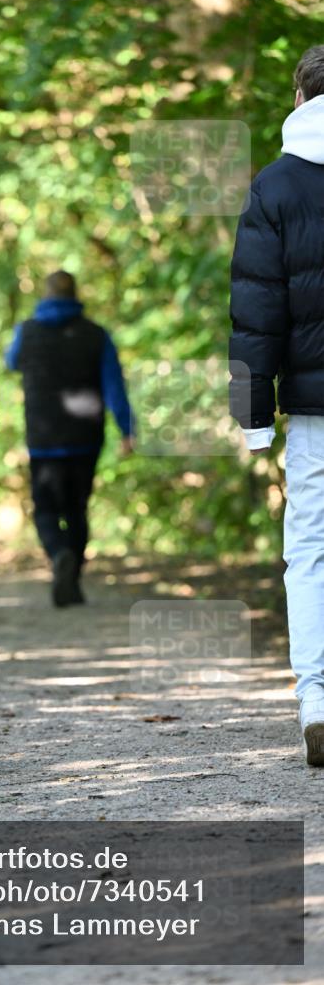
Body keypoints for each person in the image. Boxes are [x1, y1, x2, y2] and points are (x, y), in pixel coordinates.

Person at [229, 45, 324, 766]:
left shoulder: (273, 186)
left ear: (299, 97)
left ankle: (317, 701)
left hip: (313, 410)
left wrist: (251, 417)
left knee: (310, 553)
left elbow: (254, 313)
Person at [6, 270, 134, 607]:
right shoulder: (96, 335)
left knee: (46, 509)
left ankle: (59, 553)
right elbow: (114, 385)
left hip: (43, 437)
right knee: (77, 509)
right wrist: (127, 429)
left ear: (46, 295)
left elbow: (10, 361)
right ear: (76, 294)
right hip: (85, 436)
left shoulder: (27, 331)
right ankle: (72, 579)